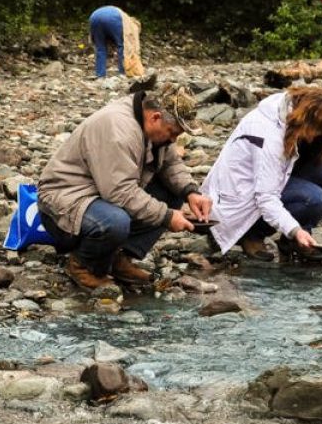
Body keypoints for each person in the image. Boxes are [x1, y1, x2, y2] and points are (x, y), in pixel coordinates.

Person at [37, 84, 212, 290]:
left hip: (101, 195)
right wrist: (167, 217)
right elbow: (120, 192)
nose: (173, 140)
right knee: (115, 222)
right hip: (64, 202)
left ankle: (117, 258)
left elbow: (171, 164)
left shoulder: (151, 123)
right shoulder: (118, 130)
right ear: (155, 117)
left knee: (174, 194)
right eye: (172, 133)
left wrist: (191, 192)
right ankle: (83, 265)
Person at [202, 88, 322, 260]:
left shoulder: (297, 109)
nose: (316, 137)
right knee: (314, 198)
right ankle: (252, 234)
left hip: (274, 177)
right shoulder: (268, 134)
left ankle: (293, 240)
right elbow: (266, 197)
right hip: (239, 199)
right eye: (316, 131)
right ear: (304, 121)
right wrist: (295, 230)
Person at [88, 5, 145, 79]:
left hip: (94, 16)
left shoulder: (124, 16)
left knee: (100, 48)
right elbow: (128, 46)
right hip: (113, 18)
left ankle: (100, 74)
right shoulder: (130, 24)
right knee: (122, 46)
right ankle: (123, 72)